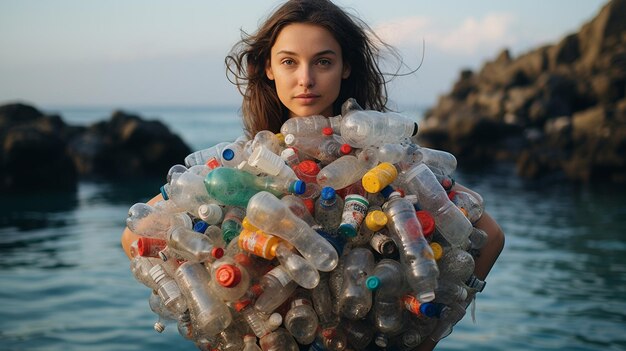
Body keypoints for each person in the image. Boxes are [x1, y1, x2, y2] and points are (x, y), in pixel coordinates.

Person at [121, 0, 505, 350]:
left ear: (346, 66)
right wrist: (211, 326)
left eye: (323, 61)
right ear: (268, 68)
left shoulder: (384, 157)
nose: (306, 79)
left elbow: (489, 238)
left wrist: (425, 338)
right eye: (289, 62)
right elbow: (135, 232)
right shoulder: (243, 162)